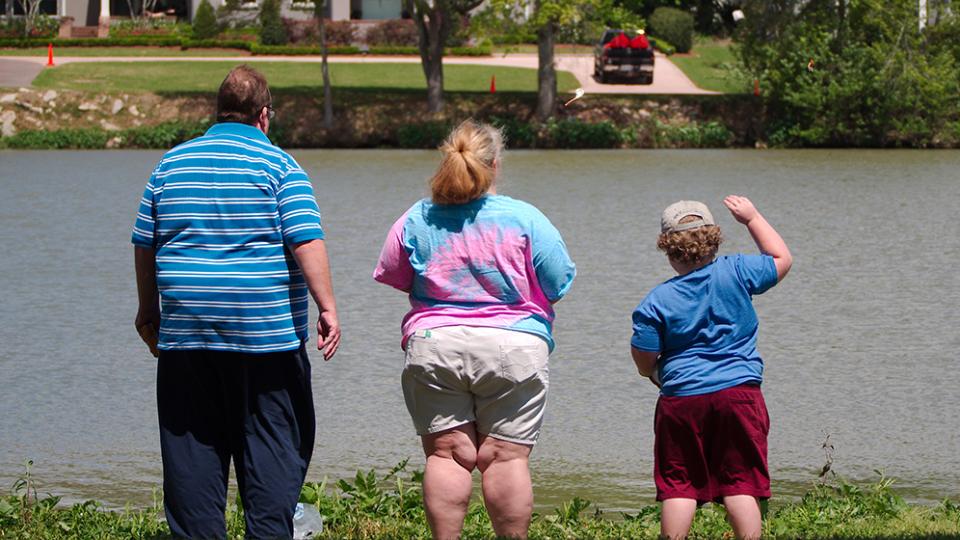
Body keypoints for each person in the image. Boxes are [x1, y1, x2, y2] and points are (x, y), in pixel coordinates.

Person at [131, 65, 341, 539]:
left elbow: (145, 242)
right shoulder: (281, 166)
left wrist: (149, 311)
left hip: (187, 338)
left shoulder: (170, 165)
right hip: (267, 341)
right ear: (264, 116)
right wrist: (327, 305)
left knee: (192, 457)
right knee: (272, 450)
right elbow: (305, 239)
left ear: (217, 111)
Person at [373, 120, 576, 540]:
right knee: (506, 459)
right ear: (495, 166)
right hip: (515, 344)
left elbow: (394, 274)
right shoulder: (525, 218)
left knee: (447, 456)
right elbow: (559, 283)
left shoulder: (416, 216)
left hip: (435, 344)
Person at [630, 196, 792, 540]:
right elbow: (781, 259)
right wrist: (751, 218)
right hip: (739, 395)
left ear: (669, 250)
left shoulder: (655, 302)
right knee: (741, 482)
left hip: (682, 401)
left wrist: (656, 373)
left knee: (679, 486)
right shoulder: (737, 271)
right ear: (714, 240)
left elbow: (644, 357)